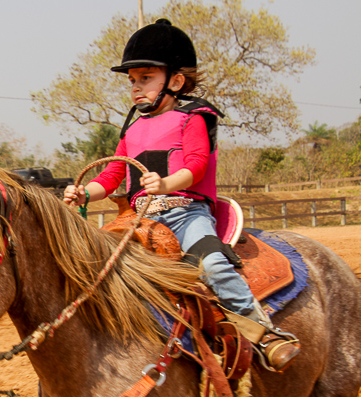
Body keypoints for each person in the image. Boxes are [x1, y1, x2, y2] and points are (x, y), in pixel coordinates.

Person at [63, 19, 299, 372]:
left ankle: (263, 334)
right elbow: (111, 176)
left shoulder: (193, 118)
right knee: (99, 267)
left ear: (174, 82)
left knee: (213, 265)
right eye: (132, 80)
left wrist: (167, 184)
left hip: (187, 213)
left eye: (145, 78)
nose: (136, 87)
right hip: (140, 218)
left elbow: (196, 166)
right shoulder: (131, 131)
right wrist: (85, 193)